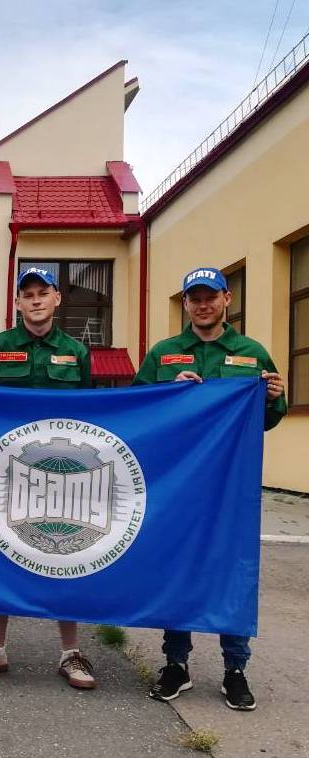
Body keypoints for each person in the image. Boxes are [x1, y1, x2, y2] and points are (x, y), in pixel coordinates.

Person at [134, 266, 287, 711]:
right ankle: (176, 663)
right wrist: (168, 392)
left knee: (232, 569)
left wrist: (274, 398)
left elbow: (267, 418)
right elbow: (137, 410)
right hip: (177, 485)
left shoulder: (251, 353)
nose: (203, 305)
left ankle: (235, 669)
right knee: (178, 568)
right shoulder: (164, 354)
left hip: (230, 485)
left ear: (226, 300)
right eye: (194, 298)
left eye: (210, 297)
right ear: (185, 303)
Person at [0, 266, 97, 690]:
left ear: (57, 298)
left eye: (43, 292)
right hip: (7, 473)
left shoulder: (76, 352)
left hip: (62, 473)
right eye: (28, 293)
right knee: (1, 552)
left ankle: (70, 653)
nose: (36, 299)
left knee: (67, 553)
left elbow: (90, 416)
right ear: (17, 302)